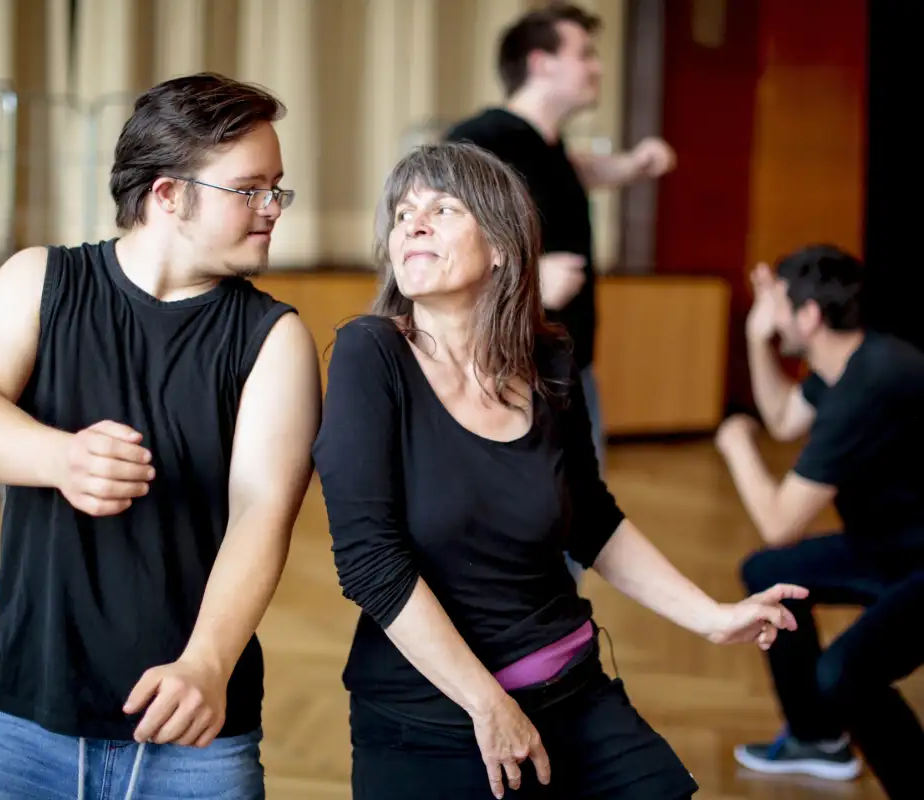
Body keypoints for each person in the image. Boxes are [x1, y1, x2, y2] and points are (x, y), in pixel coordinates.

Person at [313, 140, 808, 800]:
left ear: (502, 248)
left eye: (444, 207)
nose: (414, 224)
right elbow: (370, 563)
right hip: (432, 715)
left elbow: (592, 519)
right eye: (403, 214)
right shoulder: (369, 355)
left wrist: (711, 618)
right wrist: (489, 706)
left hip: (574, 690)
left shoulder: (548, 359)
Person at [0, 72, 321, 799]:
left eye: (278, 188)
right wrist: (60, 456)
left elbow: (261, 515)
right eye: (250, 189)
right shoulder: (38, 280)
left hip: (196, 732)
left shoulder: (275, 340)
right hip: (14, 718)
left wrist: (207, 664)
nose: (272, 209)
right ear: (169, 194)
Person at [715, 245, 924, 798]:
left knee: (845, 674)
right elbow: (784, 417)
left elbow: (780, 521)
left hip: (916, 564)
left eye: (776, 305)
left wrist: (736, 446)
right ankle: (815, 738)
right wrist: (758, 336)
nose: (768, 315)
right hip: (890, 548)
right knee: (771, 574)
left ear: (808, 317)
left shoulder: (872, 383)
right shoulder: (848, 363)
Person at [445, 2, 676, 480]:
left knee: (578, 521)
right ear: (540, 63)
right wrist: (526, 281)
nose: (598, 67)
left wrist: (634, 165)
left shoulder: (548, 147)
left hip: (570, 364)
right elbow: (442, 242)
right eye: (585, 54)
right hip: (513, 369)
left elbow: (573, 171)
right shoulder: (480, 139)